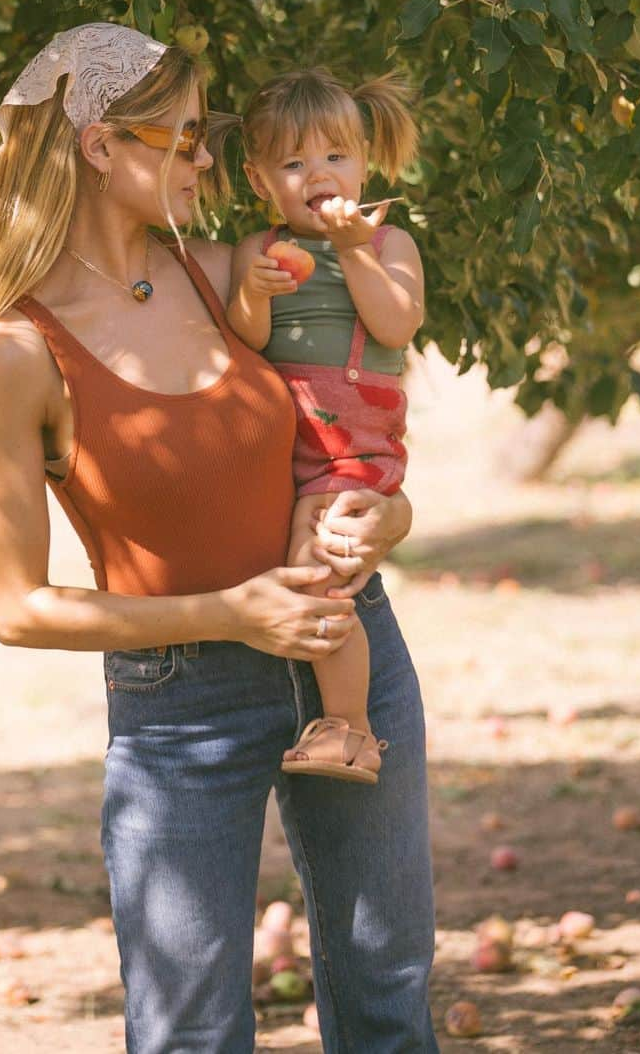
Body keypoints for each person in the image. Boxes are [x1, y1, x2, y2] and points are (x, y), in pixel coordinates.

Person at [0, 22, 439, 1053]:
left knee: (386, 1000)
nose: (211, 160)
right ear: (103, 147)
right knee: (190, 1030)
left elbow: (352, 423)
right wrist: (229, 614)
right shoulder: (15, 353)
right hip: (182, 704)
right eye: (189, 137)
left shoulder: (226, 274)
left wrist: (391, 517)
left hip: (349, 652)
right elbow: (18, 610)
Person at [226, 69, 424, 787]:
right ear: (259, 180)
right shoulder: (260, 250)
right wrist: (251, 291)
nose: (319, 174)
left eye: (335, 157)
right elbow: (246, 343)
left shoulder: (389, 242)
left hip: (351, 438)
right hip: (288, 437)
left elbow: (396, 321)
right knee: (303, 558)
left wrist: (351, 250)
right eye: (293, 163)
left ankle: (351, 728)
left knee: (322, 569)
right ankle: (337, 718)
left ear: (364, 162)